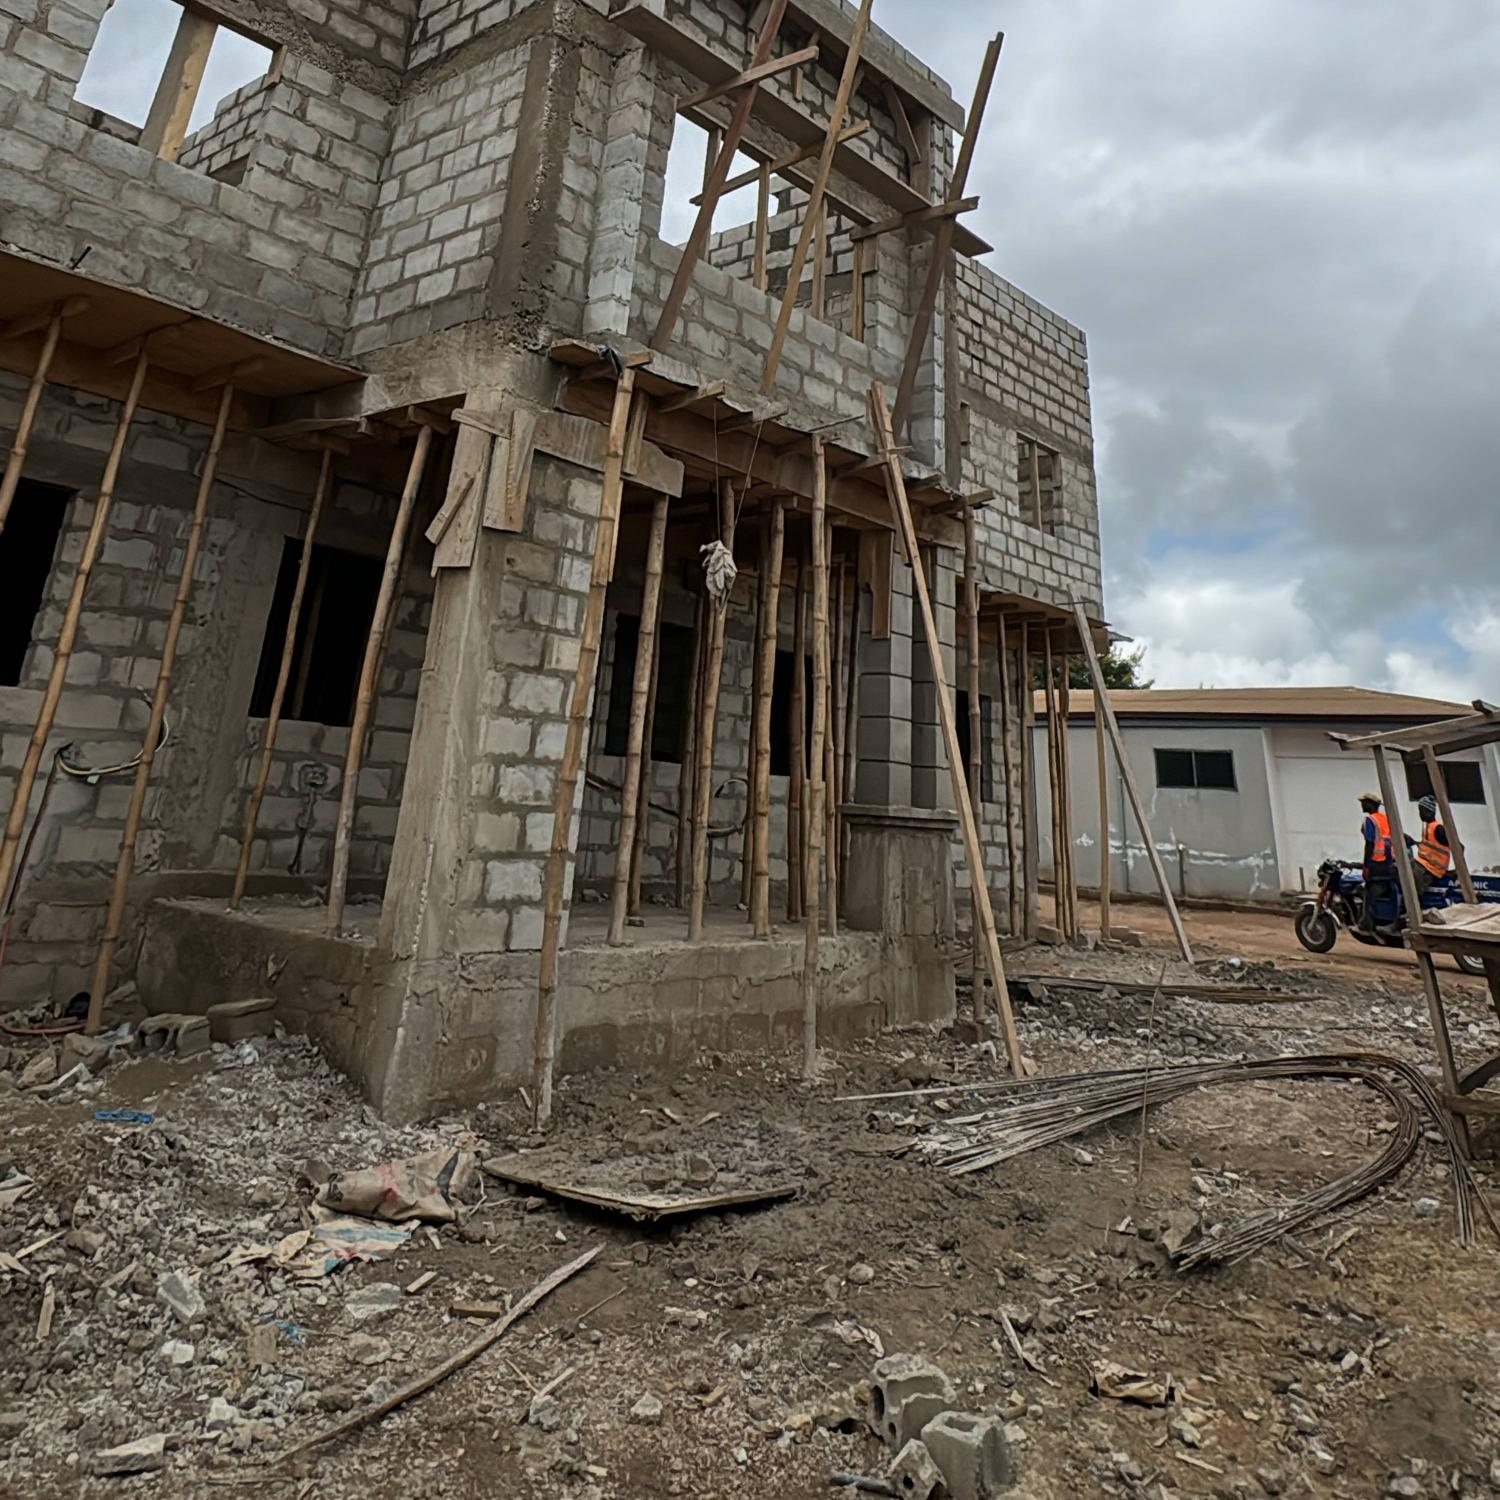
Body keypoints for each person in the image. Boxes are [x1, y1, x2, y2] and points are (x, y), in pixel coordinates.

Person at [1357, 792, 1395, 932]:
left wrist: (1366, 866)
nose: (1362, 805)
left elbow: (1370, 844)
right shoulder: (1384, 818)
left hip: (1377, 863)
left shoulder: (1370, 820)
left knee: (1369, 893)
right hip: (1389, 862)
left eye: (1364, 802)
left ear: (1371, 804)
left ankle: (1366, 923)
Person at [1412, 793, 1452, 902]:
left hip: (1431, 869)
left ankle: (1414, 903)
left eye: (1422, 810)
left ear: (1429, 811)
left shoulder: (1439, 829)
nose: (1420, 814)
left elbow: (1459, 847)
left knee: (1412, 880)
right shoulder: (1427, 827)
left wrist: (1457, 870)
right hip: (1423, 865)